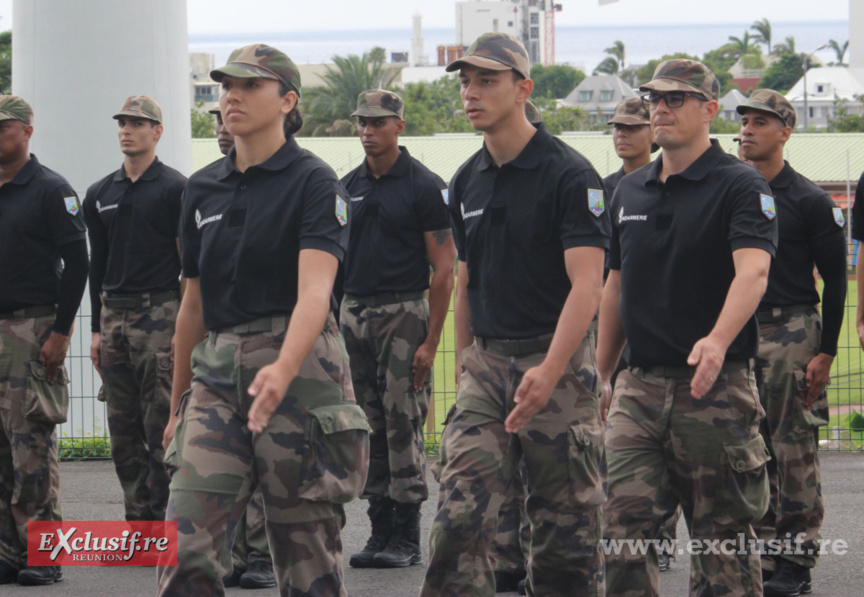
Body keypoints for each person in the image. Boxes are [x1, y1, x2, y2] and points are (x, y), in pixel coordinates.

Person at [156, 44, 369, 596]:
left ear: (287, 101)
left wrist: (282, 366)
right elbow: (193, 307)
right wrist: (180, 405)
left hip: (301, 376)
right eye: (227, 85)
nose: (232, 96)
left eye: (251, 86)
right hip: (217, 376)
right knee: (185, 546)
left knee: (306, 556)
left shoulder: (316, 183)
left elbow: (316, 292)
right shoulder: (201, 189)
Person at [421, 33, 610, 597]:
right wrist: (464, 363)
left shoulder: (570, 176)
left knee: (564, 540)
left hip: (557, 368)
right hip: (487, 367)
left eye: (486, 81)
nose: (470, 93)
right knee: (458, 516)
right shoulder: (463, 182)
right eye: (465, 82)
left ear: (523, 89)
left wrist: (550, 370)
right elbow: (467, 278)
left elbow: (588, 285)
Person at [597, 59, 778, 597]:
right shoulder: (630, 192)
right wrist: (602, 372)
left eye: (676, 100)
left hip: (714, 390)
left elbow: (755, 271)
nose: (660, 110)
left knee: (721, 543)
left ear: (709, 110)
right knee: (622, 530)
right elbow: (615, 287)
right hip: (639, 387)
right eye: (655, 99)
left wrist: (718, 340)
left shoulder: (740, 186)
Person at [340, 89, 456, 569]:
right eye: (362, 123)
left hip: (403, 315)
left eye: (378, 123)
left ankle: (406, 535)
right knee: (365, 426)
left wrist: (431, 341)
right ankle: (379, 528)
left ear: (398, 126)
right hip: (353, 314)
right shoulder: (346, 187)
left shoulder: (424, 185)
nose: (368, 131)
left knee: (402, 420)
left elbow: (444, 267)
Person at [738, 89, 846, 596]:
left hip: (792, 328)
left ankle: (795, 561)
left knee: (792, 445)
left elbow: (836, 277)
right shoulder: (731, 191)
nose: (747, 130)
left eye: (761, 122)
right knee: (746, 445)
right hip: (739, 328)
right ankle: (760, 551)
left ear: (784, 132)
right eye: (744, 122)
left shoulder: (808, 199)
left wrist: (826, 350)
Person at [82, 96, 186, 523]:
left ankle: (168, 521)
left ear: (156, 131)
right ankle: (139, 523)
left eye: (137, 123)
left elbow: (190, 265)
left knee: (160, 423)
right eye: (122, 123)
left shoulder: (176, 188)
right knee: (122, 429)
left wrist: (183, 327)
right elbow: (97, 265)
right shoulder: (100, 193)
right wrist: (93, 329)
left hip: (159, 312)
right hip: (113, 317)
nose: (127, 129)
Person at [0, 95, 89, 586]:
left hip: (31, 329)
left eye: (3, 127)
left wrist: (60, 331)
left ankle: (43, 553)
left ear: (27, 131)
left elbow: (77, 263)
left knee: (29, 446)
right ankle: (9, 551)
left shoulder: (52, 189)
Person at [205, 105, 276, 590]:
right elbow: (192, 287)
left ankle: (263, 556)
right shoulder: (201, 187)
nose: (222, 126)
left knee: (271, 466)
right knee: (215, 473)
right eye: (215, 118)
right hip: (217, 350)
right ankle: (229, 557)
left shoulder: (303, 180)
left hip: (274, 347)